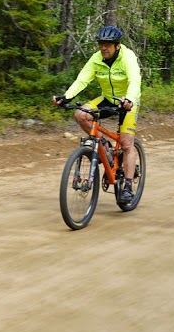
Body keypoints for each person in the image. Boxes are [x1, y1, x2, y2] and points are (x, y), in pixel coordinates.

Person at [53, 26, 142, 203]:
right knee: (80, 114)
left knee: (125, 144)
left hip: (127, 101)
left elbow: (134, 80)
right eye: (101, 44)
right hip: (108, 98)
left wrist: (130, 99)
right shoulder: (96, 59)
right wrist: (66, 97)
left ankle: (128, 186)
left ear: (117, 46)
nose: (103, 48)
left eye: (107, 45)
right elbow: (82, 79)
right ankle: (104, 146)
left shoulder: (127, 57)